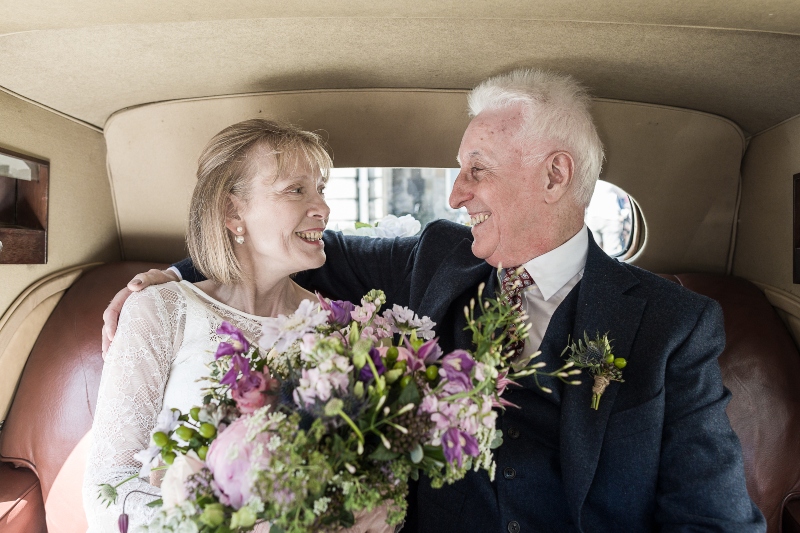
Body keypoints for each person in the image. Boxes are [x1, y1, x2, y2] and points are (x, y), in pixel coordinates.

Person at [104, 70, 766, 532]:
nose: (455, 195)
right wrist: (176, 274)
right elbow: (283, 249)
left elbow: (713, 519)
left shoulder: (674, 323)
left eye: (477, 169)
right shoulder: (435, 257)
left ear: (554, 175)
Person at [85, 119, 389, 532]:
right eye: (296, 190)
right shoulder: (160, 311)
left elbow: (373, 476)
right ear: (232, 212)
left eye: (321, 189)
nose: (323, 207)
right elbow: (110, 483)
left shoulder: (343, 330)